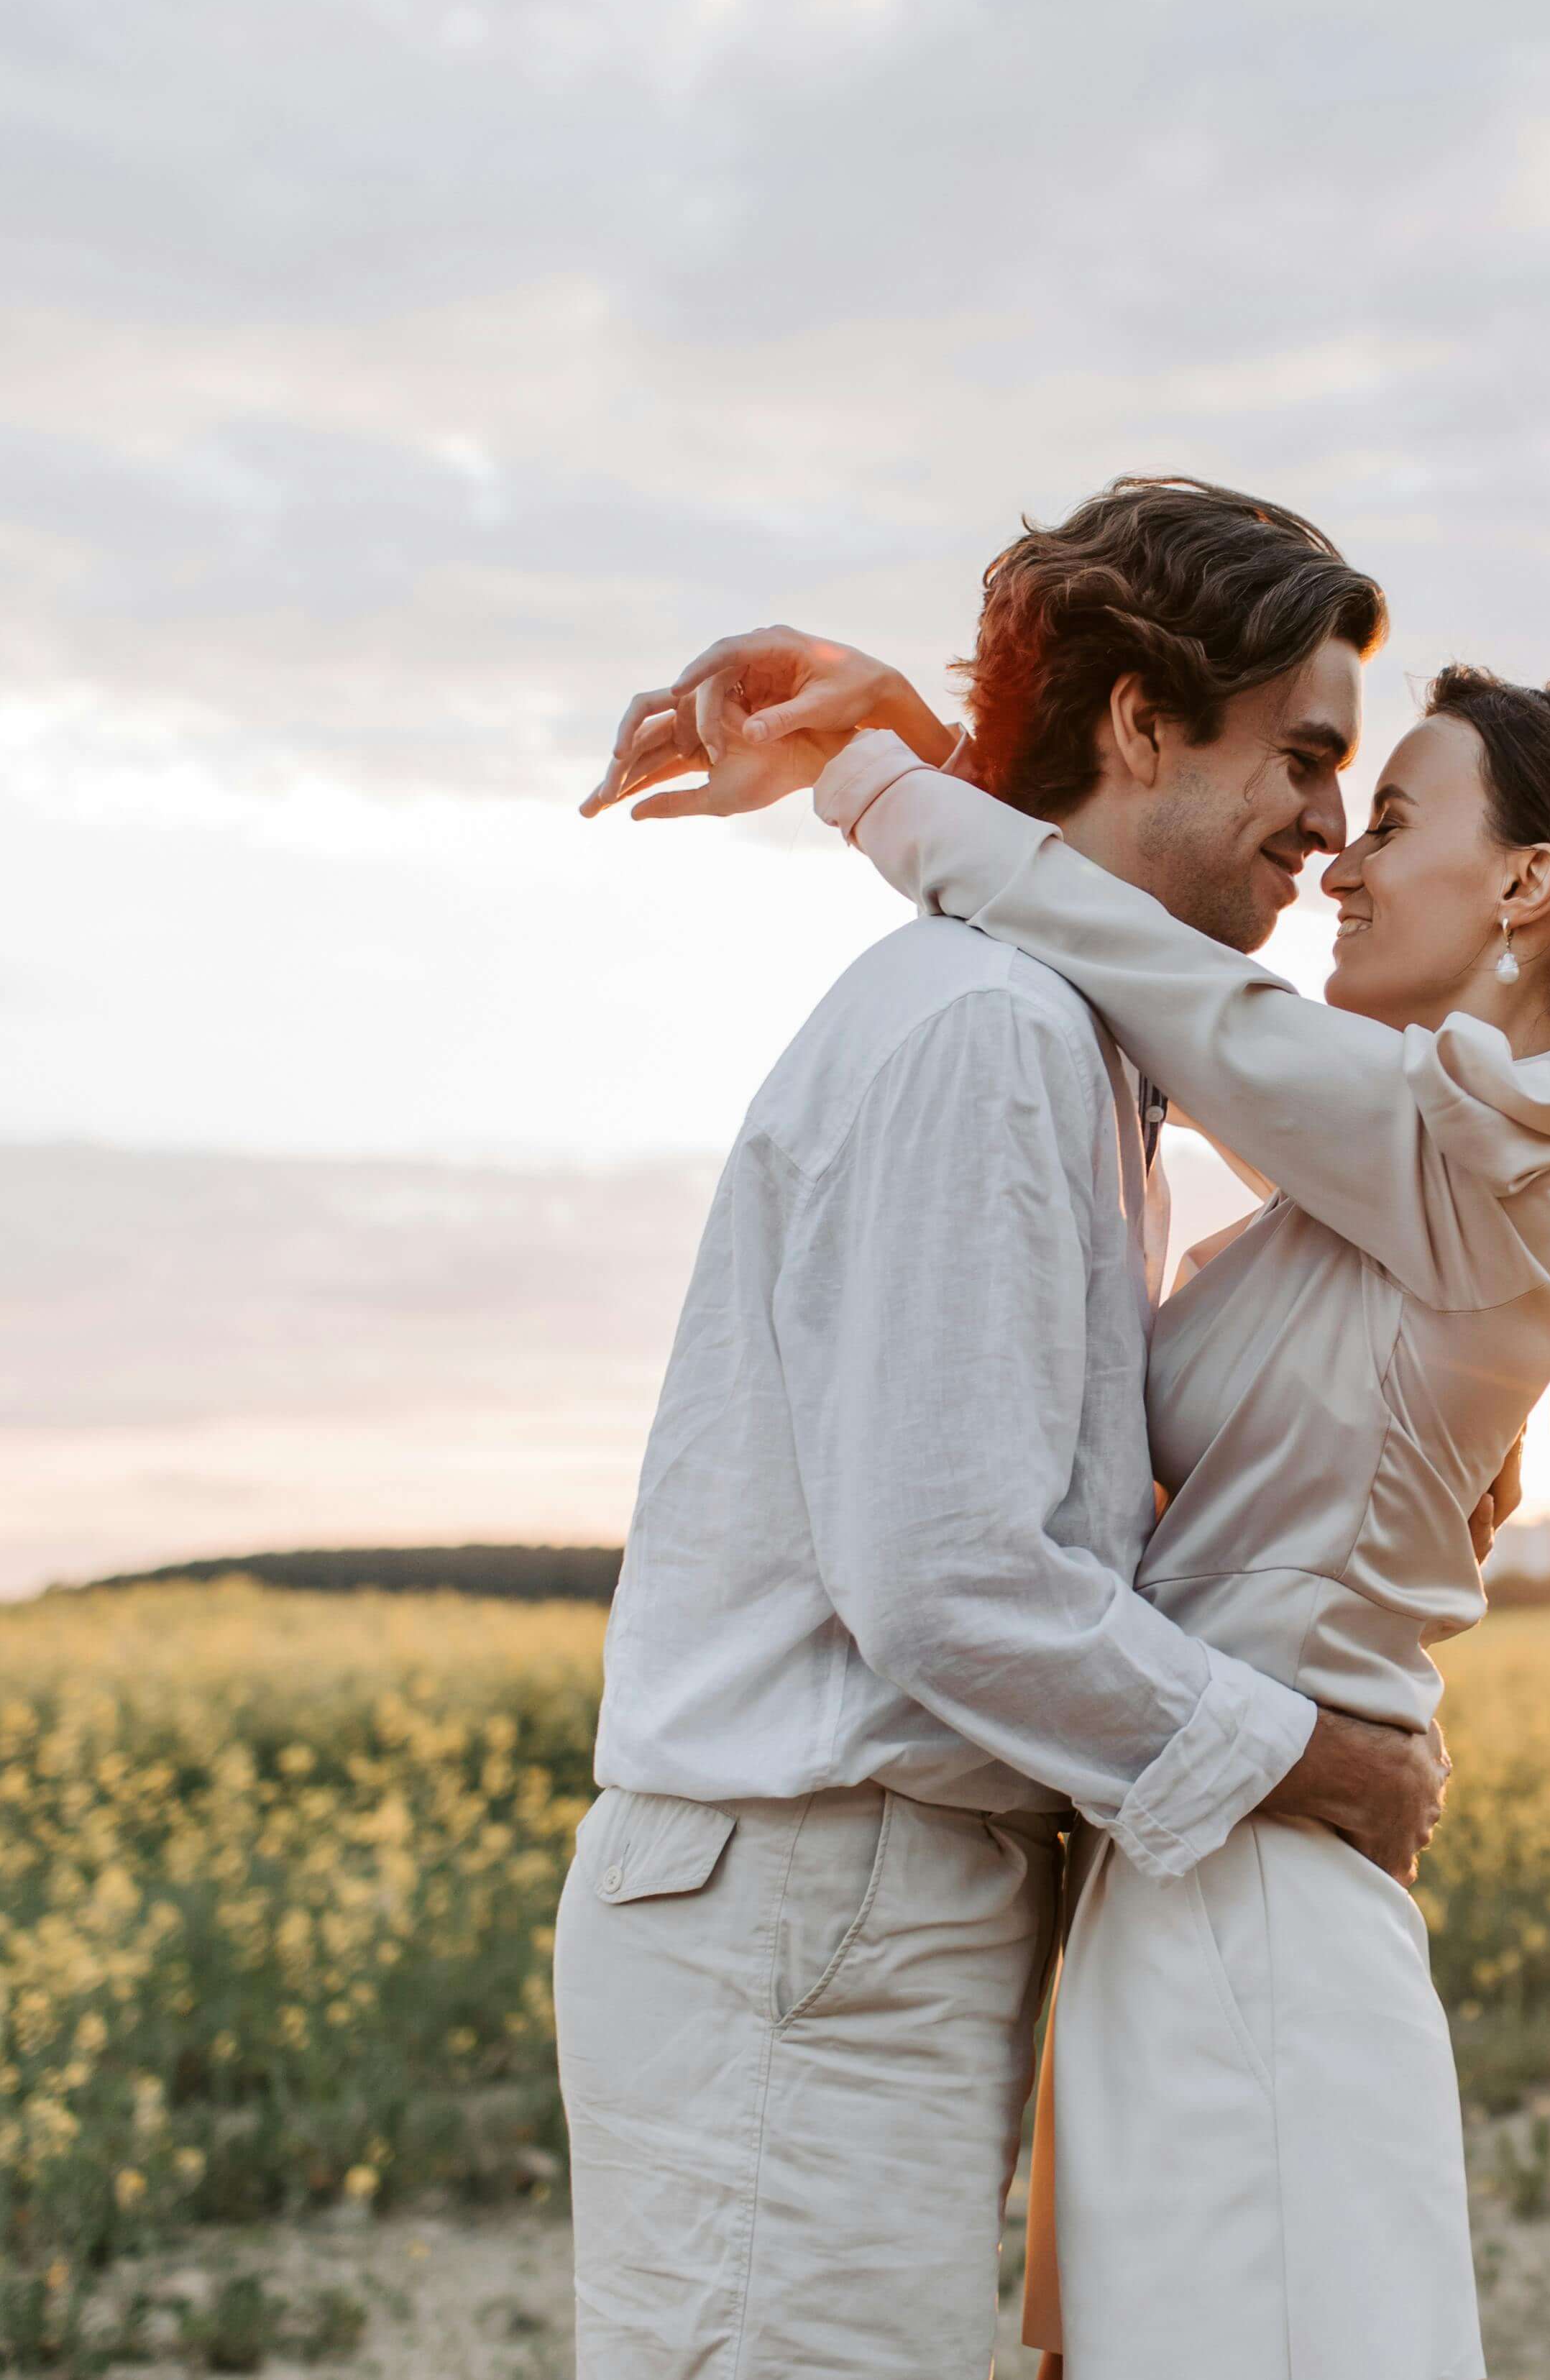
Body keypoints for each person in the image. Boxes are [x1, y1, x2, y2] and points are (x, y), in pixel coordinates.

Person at [595, 562, 1550, 2378]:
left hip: (1252, 1870)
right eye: (1322, 780)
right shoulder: (1358, 1184)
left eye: (1387, 809)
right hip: (1177, 1855)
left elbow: (1155, 976)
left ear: (1526, 889)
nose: (1339, 852)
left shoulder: (1500, 1157)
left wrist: (877, 759)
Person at [551, 480, 1457, 2380]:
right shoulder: (990, 1032)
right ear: (1138, 722)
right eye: (1301, 756)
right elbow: (949, 1574)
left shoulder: (1063, 1035)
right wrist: (1319, 1763)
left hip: (859, 1902)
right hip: (812, 1893)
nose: (1322, 823)